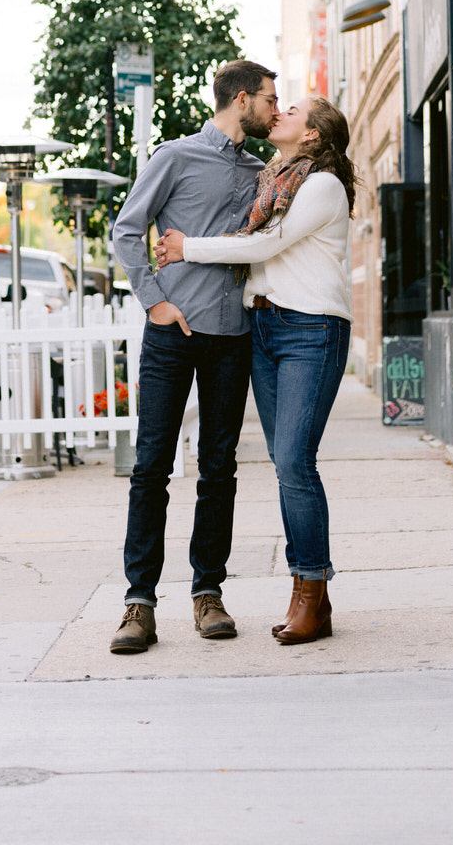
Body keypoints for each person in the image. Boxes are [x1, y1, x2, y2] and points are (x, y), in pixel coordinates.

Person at [156, 95, 354, 646]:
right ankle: (314, 595)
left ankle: (310, 591)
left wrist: (186, 248)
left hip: (311, 329)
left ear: (312, 135)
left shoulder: (320, 185)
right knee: (284, 462)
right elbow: (252, 242)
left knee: (294, 462)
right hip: (265, 329)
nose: (280, 113)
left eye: (291, 110)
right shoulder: (275, 180)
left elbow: (265, 243)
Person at [108, 59, 279, 654]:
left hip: (233, 336)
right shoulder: (175, 156)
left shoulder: (264, 171)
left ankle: (208, 593)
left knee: (219, 468)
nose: (274, 109)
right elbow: (128, 229)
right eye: (268, 99)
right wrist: (154, 301)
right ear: (239, 100)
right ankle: (138, 603)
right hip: (172, 333)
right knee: (151, 466)